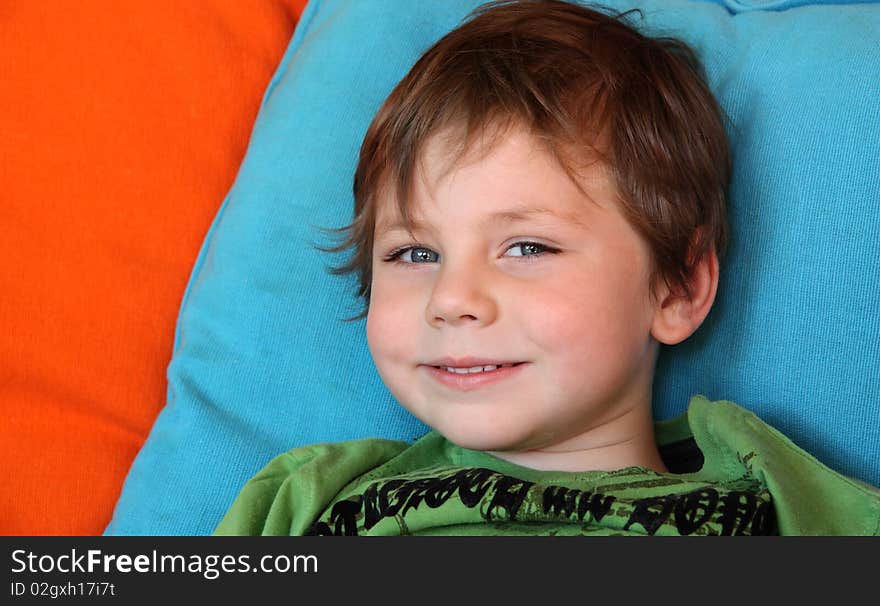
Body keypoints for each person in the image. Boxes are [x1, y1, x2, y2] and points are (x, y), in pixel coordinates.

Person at [213, 0, 880, 536]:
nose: (453, 299)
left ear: (677, 288)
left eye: (527, 247)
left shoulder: (767, 494)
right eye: (414, 254)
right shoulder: (310, 498)